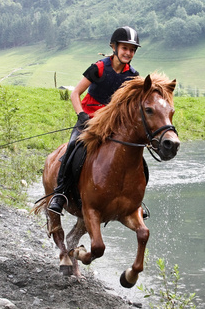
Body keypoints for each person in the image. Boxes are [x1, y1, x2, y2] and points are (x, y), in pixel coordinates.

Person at [48, 26, 141, 215]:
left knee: (134, 152)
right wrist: (81, 114)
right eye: (125, 48)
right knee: (74, 146)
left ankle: (136, 198)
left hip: (113, 123)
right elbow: (75, 93)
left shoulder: (133, 75)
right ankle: (60, 193)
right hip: (89, 119)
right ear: (114, 47)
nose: (128, 53)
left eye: (132, 50)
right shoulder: (99, 68)